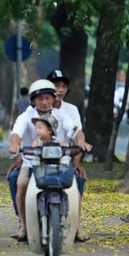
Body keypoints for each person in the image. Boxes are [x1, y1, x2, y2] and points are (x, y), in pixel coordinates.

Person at [8, 79, 91, 242]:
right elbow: (16, 133)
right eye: (40, 99)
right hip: (32, 162)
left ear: (53, 99)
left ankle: (77, 226)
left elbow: (76, 131)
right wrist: (15, 144)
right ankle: (24, 225)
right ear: (33, 101)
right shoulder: (26, 116)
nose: (44, 102)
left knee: (74, 188)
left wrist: (80, 142)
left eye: (47, 98)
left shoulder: (62, 115)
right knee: (21, 184)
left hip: (62, 162)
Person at [48, 69, 89, 241]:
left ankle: (76, 225)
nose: (60, 90)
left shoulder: (70, 111)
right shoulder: (36, 110)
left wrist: (76, 162)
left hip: (65, 159)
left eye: (63, 86)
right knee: (17, 179)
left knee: (78, 180)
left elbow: (77, 135)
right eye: (56, 86)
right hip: (39, 159)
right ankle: (25, 223)